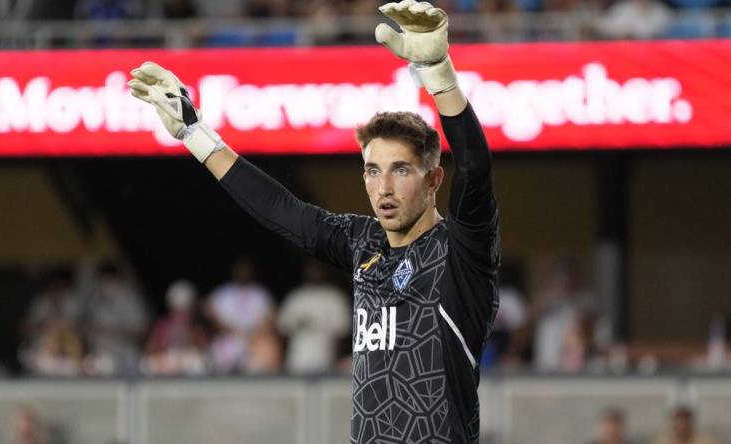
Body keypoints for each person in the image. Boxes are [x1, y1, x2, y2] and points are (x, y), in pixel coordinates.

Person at [128, 0, 499, 442]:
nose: (383, 188)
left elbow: (475, 169)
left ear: (434, 178)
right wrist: (196, 133)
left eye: (400, 170)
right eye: (372, 170)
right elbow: (281, 210)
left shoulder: (462, 251)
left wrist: (438, 72)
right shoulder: (363, 243)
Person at [278, 260, 351, 374]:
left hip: (325, 359)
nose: (314, 273)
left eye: (317, 270)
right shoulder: (295, 297)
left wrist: (336, 361)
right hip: (297, 360)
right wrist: (282, 360)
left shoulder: (334, 297)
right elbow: (284, 332)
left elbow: (341, 334)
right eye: (311, 270)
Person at [204, 257, 274, 373]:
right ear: (234, 271)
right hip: (227, 340)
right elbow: (211, 315)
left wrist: (253, 334)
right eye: (241, 270)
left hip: (253, 340)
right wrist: (231, 331)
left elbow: (269, 317)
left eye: (246, 270)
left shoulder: (261, 293)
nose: (243, 273)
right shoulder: (222, 292)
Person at [651, 406, 718, 444]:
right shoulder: (662, 441)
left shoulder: (706, 440)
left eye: (685, 423)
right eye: (679, 423)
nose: (682, 427)